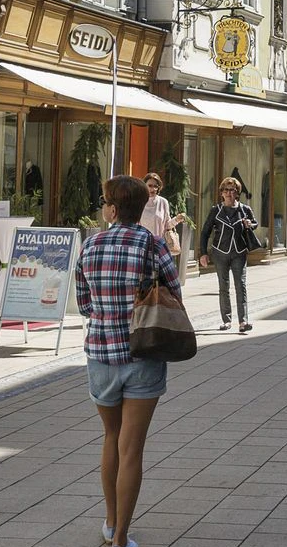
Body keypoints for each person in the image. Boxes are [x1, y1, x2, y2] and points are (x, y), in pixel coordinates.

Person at [76, 175, 180, 547]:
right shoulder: (153, 245)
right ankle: (121, 536)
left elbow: (84, 304)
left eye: (105, 202)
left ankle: (109, 521)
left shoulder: (90, 245)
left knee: (111, 437)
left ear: (113, 209)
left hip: (101, 354)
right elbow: (174, 294)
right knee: (132, 447)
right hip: (143, 352)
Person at [198, 177, 258, 332]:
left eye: (232, 190)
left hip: (239, 252)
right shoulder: (216, 210)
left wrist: (250, 224)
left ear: (237, 193)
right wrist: (203, 253)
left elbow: (255, 223)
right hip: (220, 252)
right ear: (221, 193)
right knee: (223, 286)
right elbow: (205, 232)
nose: (229, 193)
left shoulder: (244, 209)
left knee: (240, 285)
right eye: (226, 190)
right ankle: (226, 320)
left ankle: (243, 321)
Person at [139, 173, 185, 255]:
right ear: (144, 186)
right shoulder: (139, 202)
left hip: (159, 247)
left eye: (155, 186)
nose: (153, 189)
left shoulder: (163, 202)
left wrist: (176, 219)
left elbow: (167, 225)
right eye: (150, 185)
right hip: (143, 246)